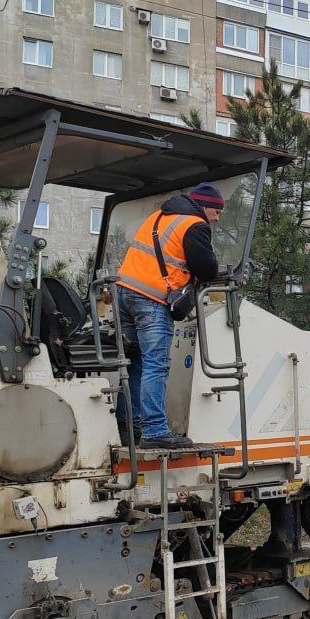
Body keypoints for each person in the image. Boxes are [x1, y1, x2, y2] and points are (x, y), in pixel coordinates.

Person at [115, 183, 224, 450]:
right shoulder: (194, 225)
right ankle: (154, 432)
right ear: (205, 207)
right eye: (217, 211)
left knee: (136, 363)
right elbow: (207, 269)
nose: (218, 217)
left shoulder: (159, 217)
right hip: (150, 299)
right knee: (156, 365)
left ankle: (129, 425)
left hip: (124, 293)